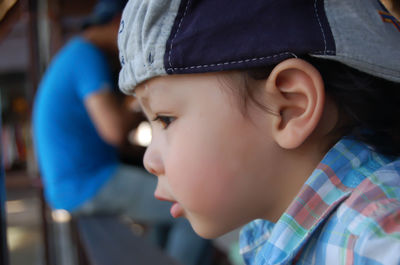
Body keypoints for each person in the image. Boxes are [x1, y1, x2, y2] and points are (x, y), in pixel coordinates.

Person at [117, 0, 400, 264]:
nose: (149, 160)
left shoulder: (377, 240)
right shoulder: (270, 227)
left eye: (165, 119)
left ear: (290, 107)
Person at [32, 0, 212, 264]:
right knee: (196, 208)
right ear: (119, 22)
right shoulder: (85, 55)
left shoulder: (75, 54)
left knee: (169, 210)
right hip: (87, 183)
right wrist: (139, 100)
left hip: (75, 182)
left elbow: (115, 142)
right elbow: (114, 130)